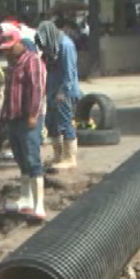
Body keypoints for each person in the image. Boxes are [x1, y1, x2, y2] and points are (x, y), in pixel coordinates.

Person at [0, 28, 48, 221]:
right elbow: (9, 94)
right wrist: (4, 118)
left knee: (32, 157)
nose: (7, 53)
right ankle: (26, 199)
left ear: (19, 43)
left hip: (28, 118)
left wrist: (33, 115)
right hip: (14, 117)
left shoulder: (32, 61)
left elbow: (37, 89)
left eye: (9, 48)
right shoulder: (12, 65)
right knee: (21, 158)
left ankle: (39, 205)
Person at [35, 20, 83, 171]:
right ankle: (58, 155)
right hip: (52, 89)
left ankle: (70, 158)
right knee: (51, 123)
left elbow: (69, 73)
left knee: (65, 122)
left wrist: (63, 92)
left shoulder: (65, 46)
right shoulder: (52, 48)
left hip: (64, 92)